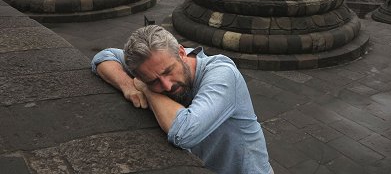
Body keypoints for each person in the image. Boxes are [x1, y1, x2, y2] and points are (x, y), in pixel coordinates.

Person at [91, 25, 272, 174]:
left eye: (168, 71)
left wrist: (148, 89)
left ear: (181, 52)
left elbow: (184, 133)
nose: (167, 86)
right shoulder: (151, 64)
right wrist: (128, 86)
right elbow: (103, 57)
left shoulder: (223, 74)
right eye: (154, 81)